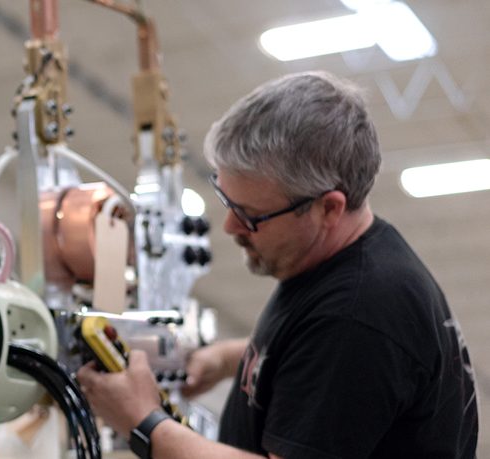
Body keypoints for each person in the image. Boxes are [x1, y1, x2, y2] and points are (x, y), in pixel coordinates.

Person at [76, 71, 478, 458]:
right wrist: (228, 359)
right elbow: (318, 360)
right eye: (228, 202)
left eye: (251, 215)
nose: (231, 226)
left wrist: (143, 422)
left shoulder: (359, 313)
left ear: (328, 208)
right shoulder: (337, 262)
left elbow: (339, 351)